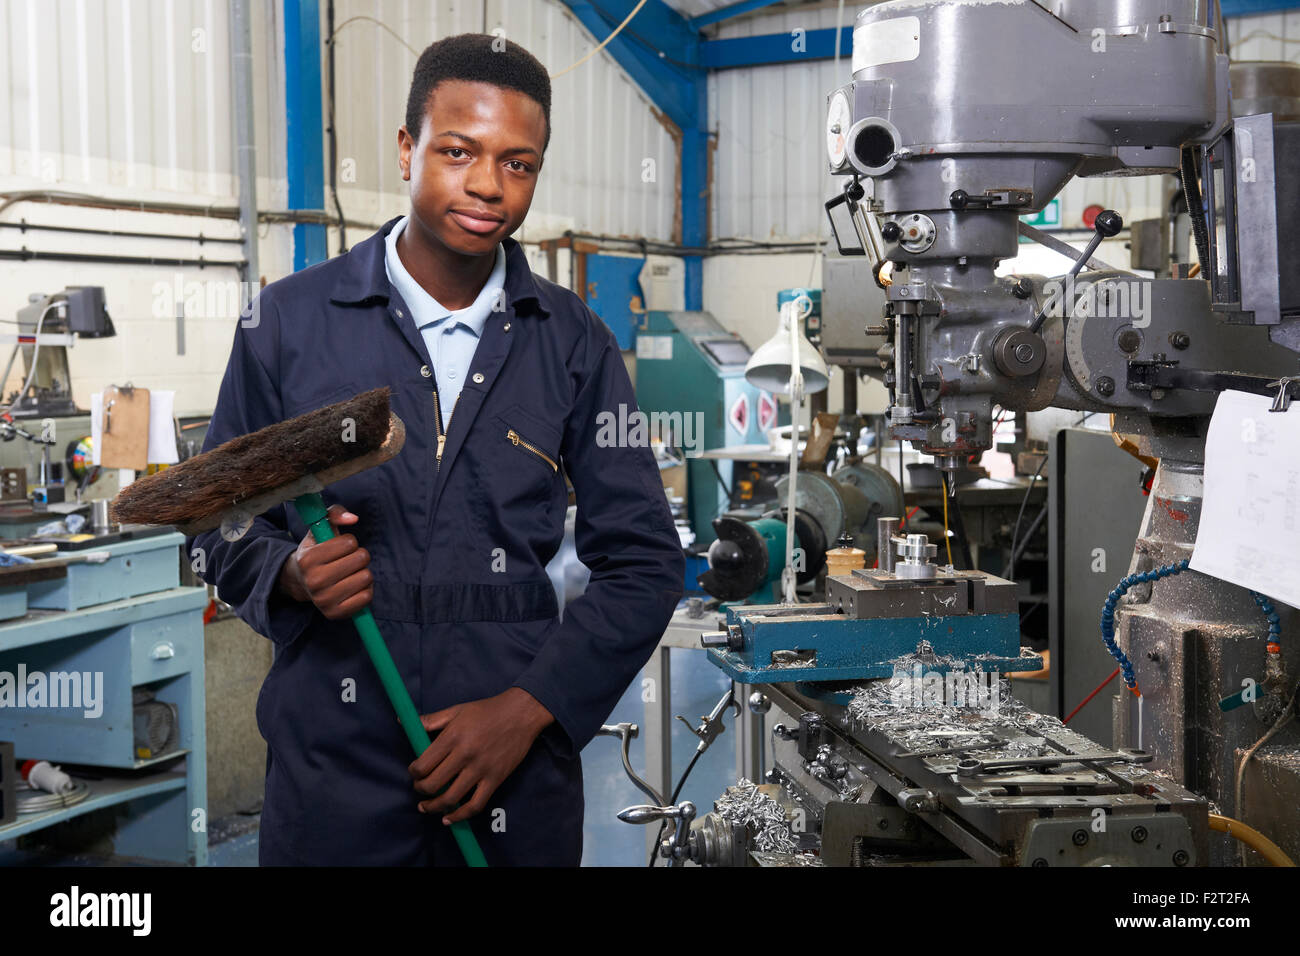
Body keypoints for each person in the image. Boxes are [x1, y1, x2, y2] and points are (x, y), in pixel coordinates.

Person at [188, 33, 685, 866]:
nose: (488, 185)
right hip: (333, 775)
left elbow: (644, 562)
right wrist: (287, 572)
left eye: (519, 163)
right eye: (459, 152)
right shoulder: (287, 324)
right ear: (407, 148)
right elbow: (214, 524)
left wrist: (528, 710)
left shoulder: (573, 342)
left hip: (512, 779)